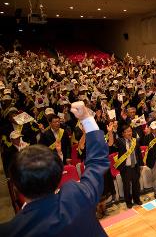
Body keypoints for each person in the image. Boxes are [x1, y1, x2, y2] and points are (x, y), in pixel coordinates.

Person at [0, 101, 110, 237]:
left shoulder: (11, 231)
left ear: (16, 187)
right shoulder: (77, 195)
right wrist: (86, 118)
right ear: (59, 175)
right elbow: (97, 160)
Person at [114, 124, 143, 208]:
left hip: (135, 167)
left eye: (130, 131)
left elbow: (139, 154)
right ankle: (128, 202)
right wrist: (113, 131)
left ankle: (137, 199)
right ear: (123, 134)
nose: (129, 133)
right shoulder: (121, 141)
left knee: (136, 185)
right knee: (126, 186)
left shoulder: (136, 141)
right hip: (126, 168)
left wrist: (140, 165)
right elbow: (114, 141)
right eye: (126, 132)